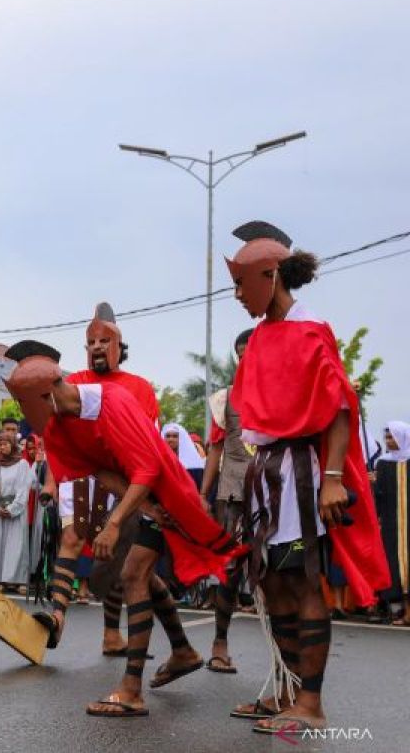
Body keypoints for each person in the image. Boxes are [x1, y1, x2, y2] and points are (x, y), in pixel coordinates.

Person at [5, 340, 246, 719]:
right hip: (146, 495)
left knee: (134, 575)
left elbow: (148, 469)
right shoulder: (61, 426)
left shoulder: (111, 403)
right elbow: (99, 470)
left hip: (166, 487)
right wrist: (145, 508)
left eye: (24, 404)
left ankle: (132, 690)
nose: (22, 413)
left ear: (46, 394)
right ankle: (182, 651)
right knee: (142, 577)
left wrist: (117, 523)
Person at [224, 221, 388, 734]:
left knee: (301, 580)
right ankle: (288, 691)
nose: (237, 294)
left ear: (270, 276)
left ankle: (311, 704)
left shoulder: (309, 328)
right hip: (267, 473)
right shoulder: (265, 335)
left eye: (241, 283)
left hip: (299, 473)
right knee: (272, 582)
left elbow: (339, 405)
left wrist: (332, 479)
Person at [63, 302, 162, 658]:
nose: (97, 347)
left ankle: (118, 639)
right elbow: (57, 433)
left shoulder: (140, 387)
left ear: (119, 346)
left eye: (105, 340)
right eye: (91, 342)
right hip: (86, 481)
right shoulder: (74, 382)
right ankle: (61, 618)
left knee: (126, 564)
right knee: (79, 545)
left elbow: (147, 448)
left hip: (126, 485)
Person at [201, 329, 254, 673]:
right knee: (230, 571)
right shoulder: (226, 399)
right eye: (241, 352)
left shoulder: (281, 392)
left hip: (273, 491)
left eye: (252, 350)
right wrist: (203, 494)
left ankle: (287, 657)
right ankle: (219, 643)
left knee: (280, 573)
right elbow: (215, 449)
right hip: (232, 493)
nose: (247, 357)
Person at [0, 430, 38, 591]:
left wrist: (12, 509)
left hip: (16, 510)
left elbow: (24, 488)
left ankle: (18, 580)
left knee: (16, 545)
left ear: (13, 445)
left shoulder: (22, 465)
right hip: (0, 510)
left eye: (5, 444)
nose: (2, 447)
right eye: (0, 444)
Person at [373, 421, 410, 625]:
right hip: (392, 524)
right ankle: (401, 610)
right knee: (394, 565)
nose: (389, 441)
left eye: (392, 437)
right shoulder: (384, 464)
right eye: (386, 437)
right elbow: (379, 496)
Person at [162, 422, 206, 487]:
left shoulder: (192, 459)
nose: (171, 439)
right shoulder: (160, 457)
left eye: (175, 436)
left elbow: (197, 481)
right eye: (168, 436)